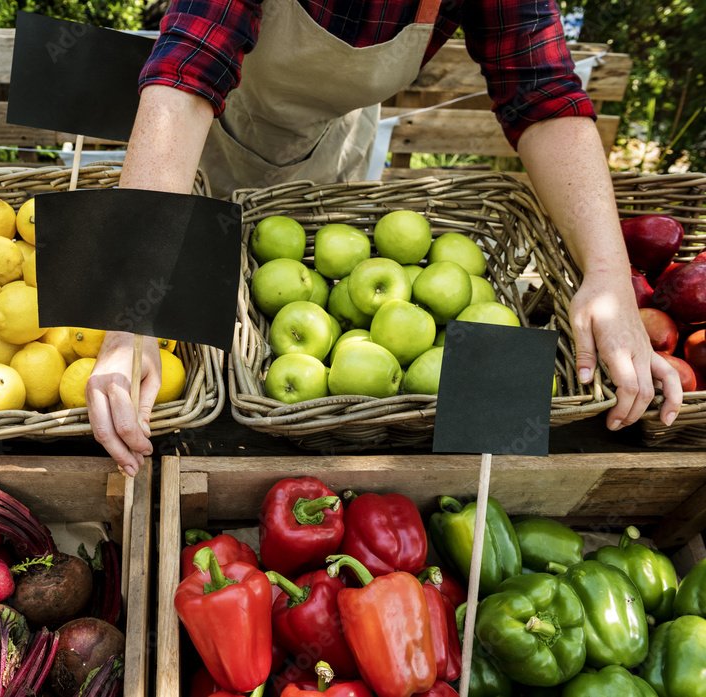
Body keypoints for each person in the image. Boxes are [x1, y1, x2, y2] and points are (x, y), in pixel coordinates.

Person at [85, 0, 684, 474]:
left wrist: (608, 277)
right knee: (210, 333)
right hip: (207, 136)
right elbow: (188, 68)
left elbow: (544, 92)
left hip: (330, 138)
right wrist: (130, 312)